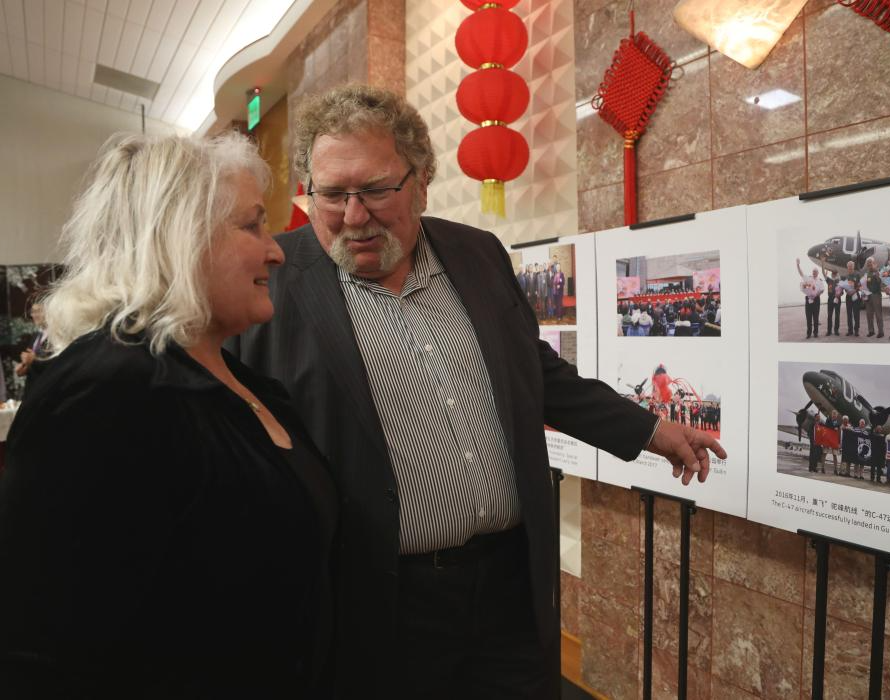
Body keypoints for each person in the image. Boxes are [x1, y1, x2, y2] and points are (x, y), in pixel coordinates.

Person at [228, 84, 726, 700]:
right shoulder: (273, 282)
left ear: (422, 181)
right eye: (331, 194)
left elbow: (533, 371)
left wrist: (650, 429)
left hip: (511, 588)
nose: (353, 216)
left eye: (376, 190)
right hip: (376, 604)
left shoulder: (476, 253)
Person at [0, 134, 338, 697]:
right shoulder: (107, 391)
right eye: (252, 226)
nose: (276, 252)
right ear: (178, 238)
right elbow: (46, 646)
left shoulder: (244, 383)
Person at [796, 258, 823, 339]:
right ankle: (808, 333)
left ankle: (815, 333)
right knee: (808, 317)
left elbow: (822, 290)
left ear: (818, 273)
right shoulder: (809, 278)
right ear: (812, 272)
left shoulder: (820, 281)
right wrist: (798, 265)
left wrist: (816, 295)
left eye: (816, 272)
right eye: (813, 271)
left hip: (816, 299)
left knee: (816, 317)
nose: (814, 273)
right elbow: (801, 274)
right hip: (808, 299)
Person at [862, 256, 884, 338]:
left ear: (874, 263)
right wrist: (863, 294)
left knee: (878, 314)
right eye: (868, 264)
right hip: (868, 296)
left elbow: (880, 282)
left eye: (870, 263)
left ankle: (881, 332)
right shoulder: (866, 274)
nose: (869, 265)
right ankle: (871, 331)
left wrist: (876, 273)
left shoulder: (878, 272)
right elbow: (864, 285)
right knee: (869, 314)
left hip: (876, 295)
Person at [841, 260, 862, 337]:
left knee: (856, 314)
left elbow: (860, 285)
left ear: (853, 266)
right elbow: (844, 286)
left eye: (851, 266)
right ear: (847, 267)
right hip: (848, 296)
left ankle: (856, 330)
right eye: (849, 266)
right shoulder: (846, 276)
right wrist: (847, 291)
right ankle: (850, 330)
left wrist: (854, 291)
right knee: (849, 314)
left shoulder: (857, 275)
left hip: (856, 295)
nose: (850, 267)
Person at [824, 270, 841, 336]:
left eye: (835, 274)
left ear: (836, 275)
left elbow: (842, 291)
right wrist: (823, 265)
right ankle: (829, 331)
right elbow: (824, 274)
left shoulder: (839, 281)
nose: (833, 275)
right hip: (830, 299)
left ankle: (836, 330)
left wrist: (839, 294)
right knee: (829, 315)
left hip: (837, 298)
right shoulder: (829, 280)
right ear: (831, 275)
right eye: (833, 274)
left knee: (837, 315)